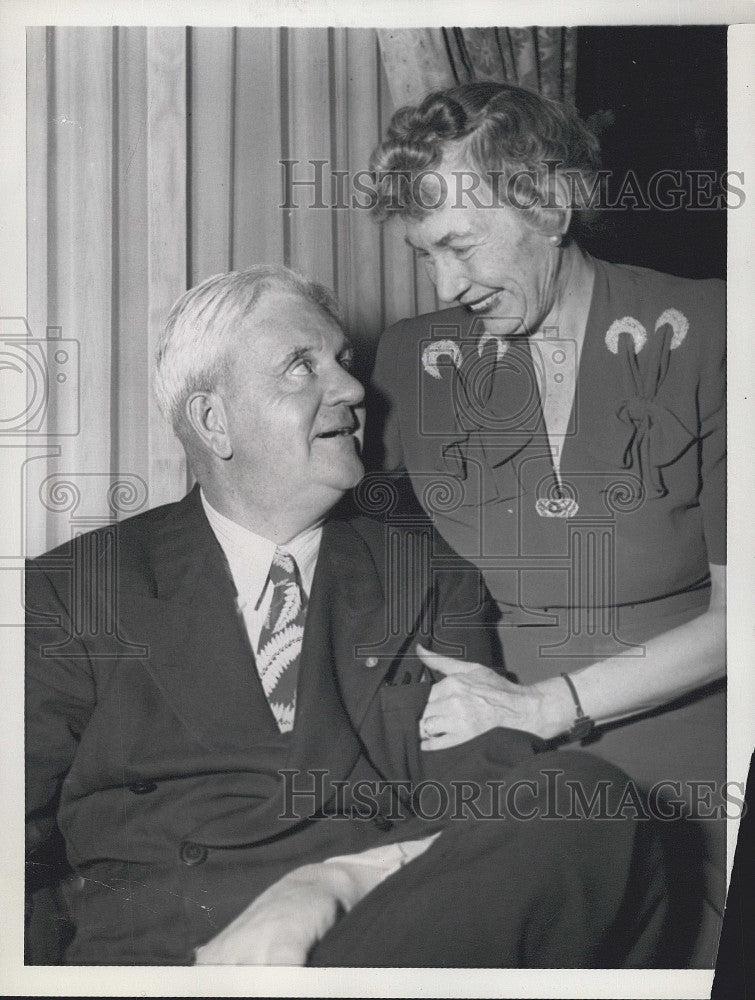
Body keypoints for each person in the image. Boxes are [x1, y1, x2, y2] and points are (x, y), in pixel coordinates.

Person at [25, 265, 667, 967]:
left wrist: (332, 883)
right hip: (172, 963)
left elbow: (475, 800)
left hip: (366, 939)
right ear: (214, 421)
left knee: (585, 799)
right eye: (301, 367)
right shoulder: (76, 588)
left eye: (342, 361)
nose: (354, 390)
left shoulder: (425, 577)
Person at [367, 82, 726, 964]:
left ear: (552, 202)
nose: (447, 285)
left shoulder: (716, 328)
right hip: (484, 756)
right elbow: (353, 551)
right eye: (424, 255)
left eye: (460, 244)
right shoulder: (410, 358)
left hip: (690, 748)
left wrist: (547, 705)